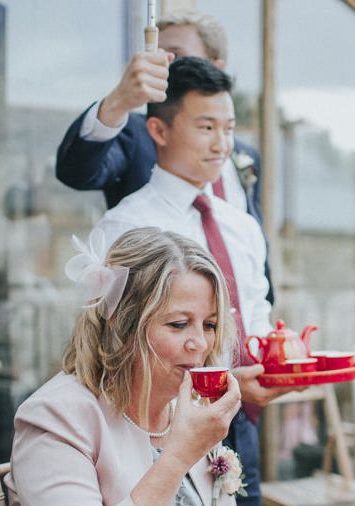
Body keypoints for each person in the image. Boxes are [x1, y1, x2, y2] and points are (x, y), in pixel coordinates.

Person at [0, 228, 305, 506]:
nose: (201, 344)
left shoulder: (189, 405)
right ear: (121, 323)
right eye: (179, 324)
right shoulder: (56, 417)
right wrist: (176, 457)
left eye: (210, 324)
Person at [95, 57, 294, 506]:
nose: (221, 143)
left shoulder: (240, 224)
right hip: (153, 426)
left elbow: (255, 309)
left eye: (228, 127)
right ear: (159, 130)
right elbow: (111, 345)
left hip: (242, 420)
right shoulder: (126, 226)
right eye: (206, 126)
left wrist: (277, 358)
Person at [56, 10, 273, 305]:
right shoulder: (135, 133)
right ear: (158, 132)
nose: (159, 66)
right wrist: (118, 101)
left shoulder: (243, 154)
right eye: (156, 55)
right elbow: (76, 171)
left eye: (174, 57)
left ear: (214, 67)